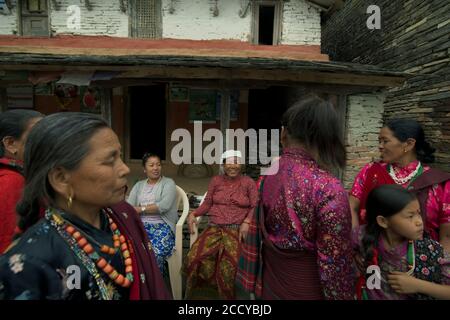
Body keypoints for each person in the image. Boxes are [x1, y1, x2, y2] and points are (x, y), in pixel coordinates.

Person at [0, 112, 171, 300]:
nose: (125, 169)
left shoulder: (121, 219)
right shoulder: (28, 264)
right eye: (109, 160)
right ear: (61, 178)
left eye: (120, 157)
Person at [236, 95, 355, 300]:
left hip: (270, 286)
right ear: (328, 139)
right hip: (307, 290)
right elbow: (334, 264)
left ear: (283, 135)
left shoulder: (269, 173)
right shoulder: (329, 188)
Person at [349, 119, 450, 251]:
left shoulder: (439, 184)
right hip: (371, 257)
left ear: (408, 144)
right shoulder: (370, 172)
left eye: (385, 141)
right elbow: (352, 207)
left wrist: (433, 268)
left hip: (420, 262)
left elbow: (447, 237)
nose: (380, 146)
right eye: (379, 141)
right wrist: (356, 244)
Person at [184, 150, 258, 299]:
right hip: (214, 228)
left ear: (241, 165)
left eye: (236, 162)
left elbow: (255, 206)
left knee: (229, 267)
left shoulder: (248, 182)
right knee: (195, 258)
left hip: (236, 230)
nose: (232, 166)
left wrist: (247, 222)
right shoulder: (216, 181)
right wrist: (194, 214)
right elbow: (207, 203)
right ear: (223, 164)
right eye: (229, 162)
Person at [355, 184, 449, 300]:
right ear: (383, 221)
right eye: (410, 216)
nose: (419, 222)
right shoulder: (362, 236)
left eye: (419, 213)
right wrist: (354, 257)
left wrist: (418, 285)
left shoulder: (430, 250)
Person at [127, 152, 177, 277]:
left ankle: (156, 285)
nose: (155, 168)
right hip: (141, 226)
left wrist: (140, 209)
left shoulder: (168, 183)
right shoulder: (139, 185)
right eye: (151, 165)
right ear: (145, 169)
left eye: (158, 165)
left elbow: (163, 206)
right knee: (130, 251)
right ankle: (140, 286)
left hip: (162, 227)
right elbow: (129, 206)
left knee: (154, 253)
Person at [0, 109, 42, 253]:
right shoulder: (12, 181)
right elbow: (7, 245)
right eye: (39, 137)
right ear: (10, 143)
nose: (48, 143)